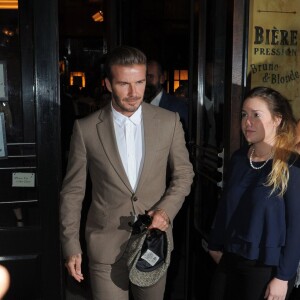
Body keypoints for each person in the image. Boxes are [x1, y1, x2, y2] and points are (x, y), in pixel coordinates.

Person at [60, 45, 194, 300]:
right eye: (124, 84)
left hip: (153, 242)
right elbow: (73, 192)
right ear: (109, 84)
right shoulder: (86, 129)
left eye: (140, 82)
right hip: (105, 247)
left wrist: (165, 210)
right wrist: (71, 246)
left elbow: (184, 174)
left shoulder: (169, 121)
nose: (134, 93)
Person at [208, 86, 300, 300]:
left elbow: (297, 227)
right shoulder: (240, 158)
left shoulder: (291, 165)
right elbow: (225, 207)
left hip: (266, 266)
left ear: (277, 119)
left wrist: (283, 278)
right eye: (244, 115)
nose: (247, 122)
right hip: (231, 256)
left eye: (256, 115)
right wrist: (214, 243)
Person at [145, 60, 189, 133]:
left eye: (150, 77)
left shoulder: (177, 107)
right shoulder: (136, 105)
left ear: (162, 79)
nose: (146, 81)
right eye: (143, 77)